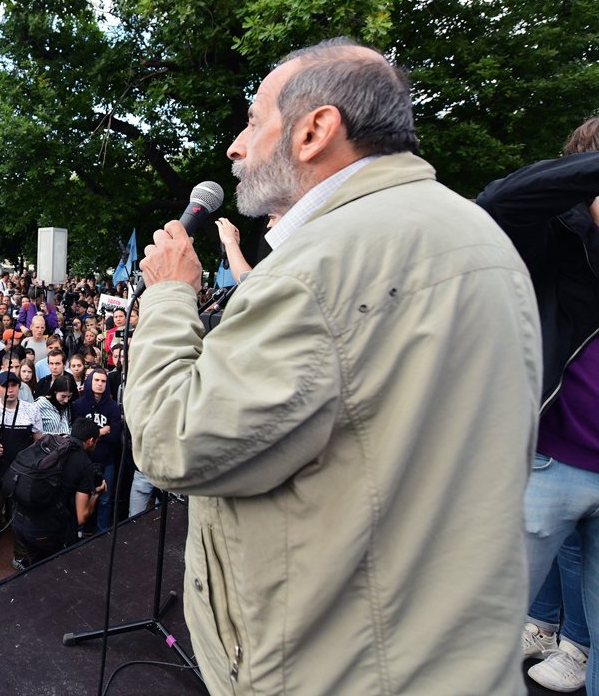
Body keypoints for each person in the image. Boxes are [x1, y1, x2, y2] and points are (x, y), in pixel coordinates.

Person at [125, 37, 540, 694]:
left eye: (255, 120)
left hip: (336, 667)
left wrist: (170, 296)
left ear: (316, 129)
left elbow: (172, 441)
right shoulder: (480, 234)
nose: (236, 145)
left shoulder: (320, 268)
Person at [477, 116, 599, 692]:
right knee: (478, 633)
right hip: (548, 465)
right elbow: (499, 200)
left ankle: (568, 645)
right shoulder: (556, 234)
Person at [0, 371, 42, 580]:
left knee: (20, 516)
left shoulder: (32, 410)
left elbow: (39, 440)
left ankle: (20, 556)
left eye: (14, 385)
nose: (10, 389)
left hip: (21, 475)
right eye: (6, 386)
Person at [10, 418, 103, 564]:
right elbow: (81, 516)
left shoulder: (54, 441)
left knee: (35, 565)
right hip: (45, 531)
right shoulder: (84, 463)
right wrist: (96, 494)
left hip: (19, 519)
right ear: (91, 440)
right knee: (51, 572)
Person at [71, 367, 122, 532]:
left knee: (105, 499)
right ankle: (79, 531)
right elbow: (78, 435)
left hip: (106, 461)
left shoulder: (113, 407)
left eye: (103, 381)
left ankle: (102, 533)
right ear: (89, 381)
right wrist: (101, 431)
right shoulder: (79, 405)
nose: (100, 384)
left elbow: (114, 437)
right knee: (81, 497)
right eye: (96, 380)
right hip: (83, 463)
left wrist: (91, 435)